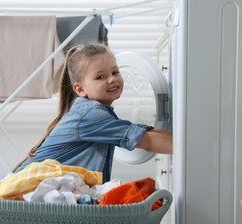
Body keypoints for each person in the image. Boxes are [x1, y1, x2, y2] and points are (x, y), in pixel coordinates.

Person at [13, 43, 172, 182]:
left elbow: (145, 134)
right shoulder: (91, 115)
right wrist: (191, 149)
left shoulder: (97, 113)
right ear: (80, 89)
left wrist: (184, 141)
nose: (111, 79)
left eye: (115, 72)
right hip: (24, 196)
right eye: (100, 77)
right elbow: (147, 141)